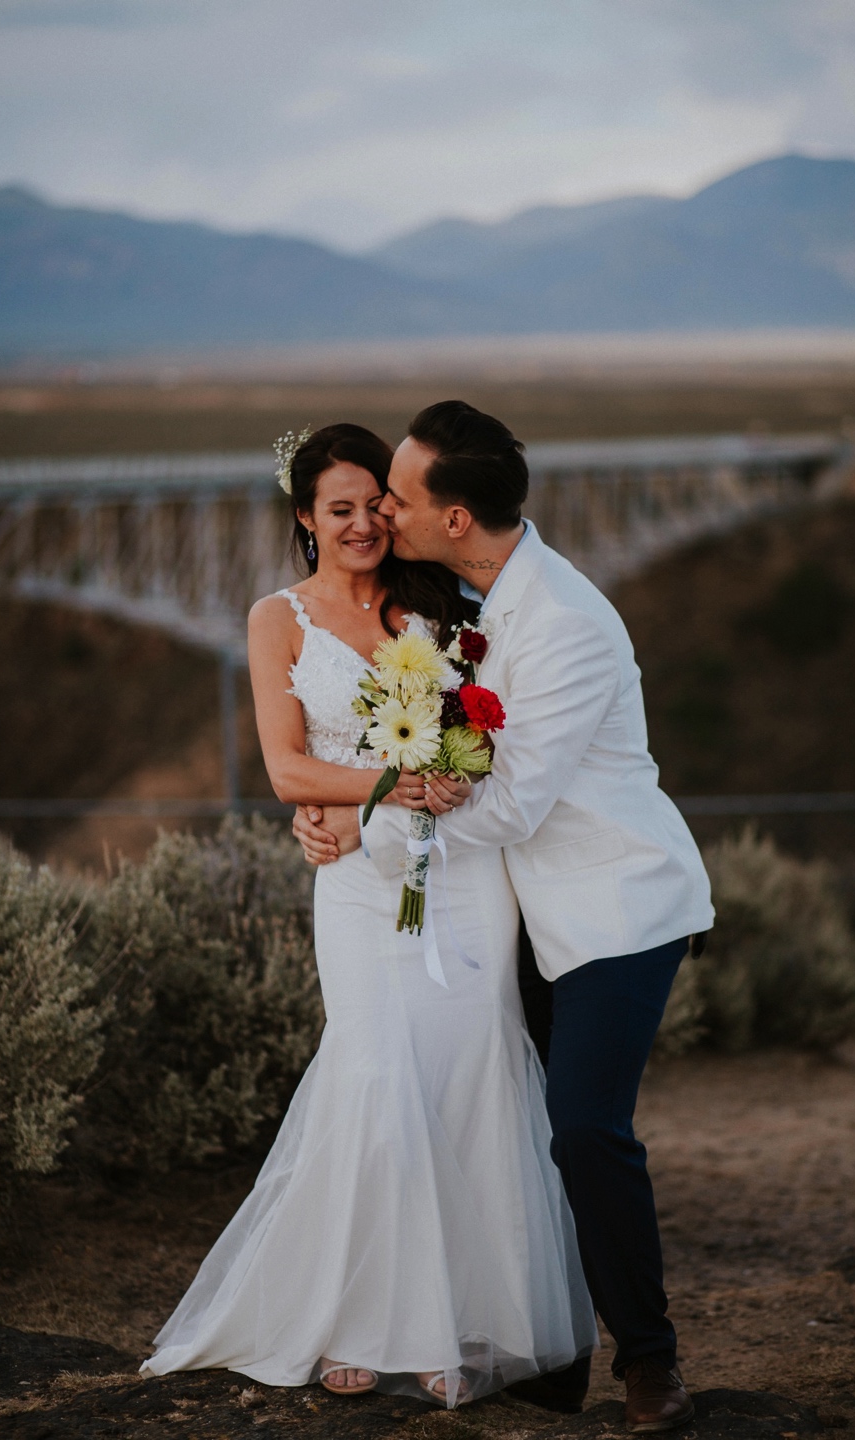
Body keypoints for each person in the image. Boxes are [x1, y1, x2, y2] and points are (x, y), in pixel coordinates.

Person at [140, 423, 597, 1410]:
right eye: (338, 508)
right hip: (353, 884)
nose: (362, 524)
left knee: (472, 1069)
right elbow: (287, 769)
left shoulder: (443, 605)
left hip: (467, 880)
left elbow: (487, 737)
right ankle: (356, 1320)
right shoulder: (278, 619)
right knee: (376, 1071)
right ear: (304, 517)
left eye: (374, 506)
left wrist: (404, 787)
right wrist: (384, 791)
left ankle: (462, 1323)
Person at [293, 401, 715, 1434]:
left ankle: (650, 1367)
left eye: (397, 492)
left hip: (618, 908)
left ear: (452, 516)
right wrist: (346, 795)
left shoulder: (565, 623)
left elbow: (513, 803)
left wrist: (367, 820)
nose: (381, 507)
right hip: (521, 910)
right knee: (517, 1123)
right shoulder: (461, 597)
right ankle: (550, 1354)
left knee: (582, 1129)